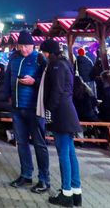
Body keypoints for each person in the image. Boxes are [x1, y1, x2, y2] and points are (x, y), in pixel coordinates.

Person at [3, 30, 50, 193]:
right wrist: (7, 96)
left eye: (27, 46)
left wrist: (34, 82)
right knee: (21, 143)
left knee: (39, 144)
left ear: (33, 45)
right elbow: (7, 78)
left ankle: (44, 179)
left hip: (34, 109)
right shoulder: (14, 59)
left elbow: (48, 82)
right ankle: (26, 175)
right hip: (17, 108)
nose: (24, 49)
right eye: (21, 45)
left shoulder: (39, 59)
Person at [39, 39, 82, 207]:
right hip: (68, 111)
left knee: (63, 153)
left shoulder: (55, 66)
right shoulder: (65, 63)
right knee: (70, 153)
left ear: (49, 52)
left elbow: (56, 90)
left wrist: (49, 108)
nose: (43, 54)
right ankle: (76, 191)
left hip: (61, 113)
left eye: (44, 52)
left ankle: (66, 193)